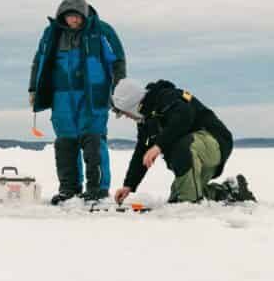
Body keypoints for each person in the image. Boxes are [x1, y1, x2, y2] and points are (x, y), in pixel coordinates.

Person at [28, 0, 126, 205]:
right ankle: (69, 189)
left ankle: (97, 189)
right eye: (68, 16)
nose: (73, 20)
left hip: (93, 95)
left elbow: (118, 59)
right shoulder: (51, 34)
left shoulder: (101, 31)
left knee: (92, 140)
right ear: (62, 16)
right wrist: (33, 89)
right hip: (61, 96)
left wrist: (119, 87)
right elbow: (39, 60)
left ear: (84, 15)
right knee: (65, 142)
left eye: (76, 16)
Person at [110, 79, 257, 204]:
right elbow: (141, 152)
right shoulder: (146, 120)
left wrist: (158, 146)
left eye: (125, 112)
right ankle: (230, 191)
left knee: (186, 198)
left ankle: (190, 205)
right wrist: (129, 185)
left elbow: (184, 118)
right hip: (192, 155)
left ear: (133, 105)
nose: (126, 117)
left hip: (214, 141)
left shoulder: (168, 97)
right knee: (177, 198)